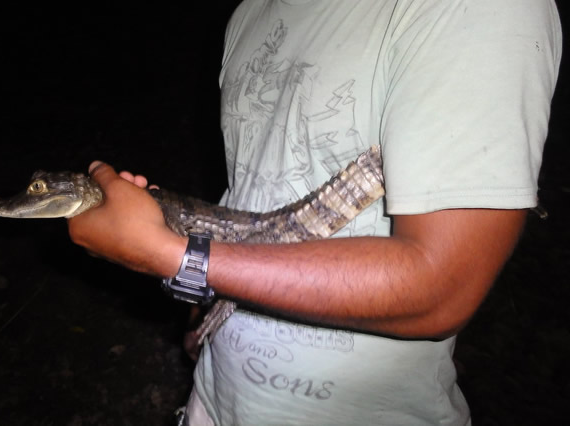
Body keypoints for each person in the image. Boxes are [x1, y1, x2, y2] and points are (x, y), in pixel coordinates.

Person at [68, 0, 562, 424]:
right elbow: (253, 190)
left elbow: (442, 288)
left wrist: (178, 260)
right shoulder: (252, 14)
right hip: (212, 404)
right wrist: (197, 293)